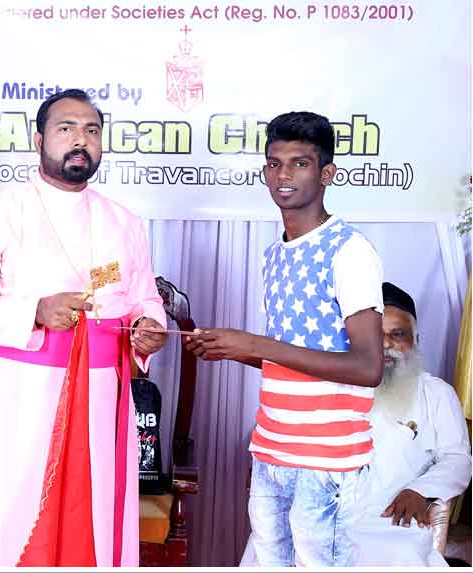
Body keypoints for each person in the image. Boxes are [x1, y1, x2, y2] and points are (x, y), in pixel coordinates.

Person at [0, 89, 167, 567]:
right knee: (10, 525)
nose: (81, 140)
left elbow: (145, 299)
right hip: (14, 400)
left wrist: (149, 326)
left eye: (92, 131)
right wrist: (34, 311)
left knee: (90, 521)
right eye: (66, 129)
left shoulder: (125, 223)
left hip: (100, 401)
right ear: (39, 140)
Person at [186, 111, 384, 566]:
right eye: (275, 163)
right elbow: (294, 355)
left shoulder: (349, 250)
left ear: (327, 174)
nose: (284, 175)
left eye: (300, 163)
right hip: (272, 449)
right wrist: (231, 349)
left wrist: (254, 344)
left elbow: (368, 367)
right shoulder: (275, 254)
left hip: (327, 460)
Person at [354, 282, 471, 566]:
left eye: (397, 334)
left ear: (415, 339)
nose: (386, 344)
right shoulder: (339, 386)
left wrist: (420, 490)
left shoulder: (436, 394)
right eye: (376, 334)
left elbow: (458, 460)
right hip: (333, 515)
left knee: (401, 557)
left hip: (394, 521)